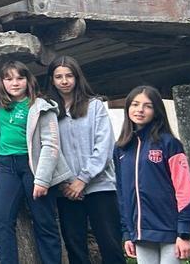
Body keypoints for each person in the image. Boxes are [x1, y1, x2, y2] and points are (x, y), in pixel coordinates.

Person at [0, 60, 72, 264]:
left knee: (44, 222)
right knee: (0, 218)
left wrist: (42, 180)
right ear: (2, 82)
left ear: (28, 80)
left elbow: (51, 145)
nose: (14, 83)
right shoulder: (0, 104)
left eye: (19, 78)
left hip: (33, 167)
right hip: (7, 165)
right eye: (8, 79)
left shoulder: (41, 106)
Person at [45, 56, 123, 264]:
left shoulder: (95, 106)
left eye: (69, 75)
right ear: (52, 80)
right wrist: (65, 183)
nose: (64, 81)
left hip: (100, 187)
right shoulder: (49, 111)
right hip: (66, 191)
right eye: (58, 76)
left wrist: (83, 179)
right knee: (75, 248)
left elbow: (104, 146)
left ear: (77, 77)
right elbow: (48, 150)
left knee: (110, 245)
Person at [113, 86, 190, 264]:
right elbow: (122, 194)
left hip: (170, 230)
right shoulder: (121, 148)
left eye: (147, 106)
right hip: (141, 232)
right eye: (135, 104)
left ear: (156, 111)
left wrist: (184, 232)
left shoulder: (170, 144)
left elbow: (185, 190)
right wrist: (127, 232)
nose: (140, 110)